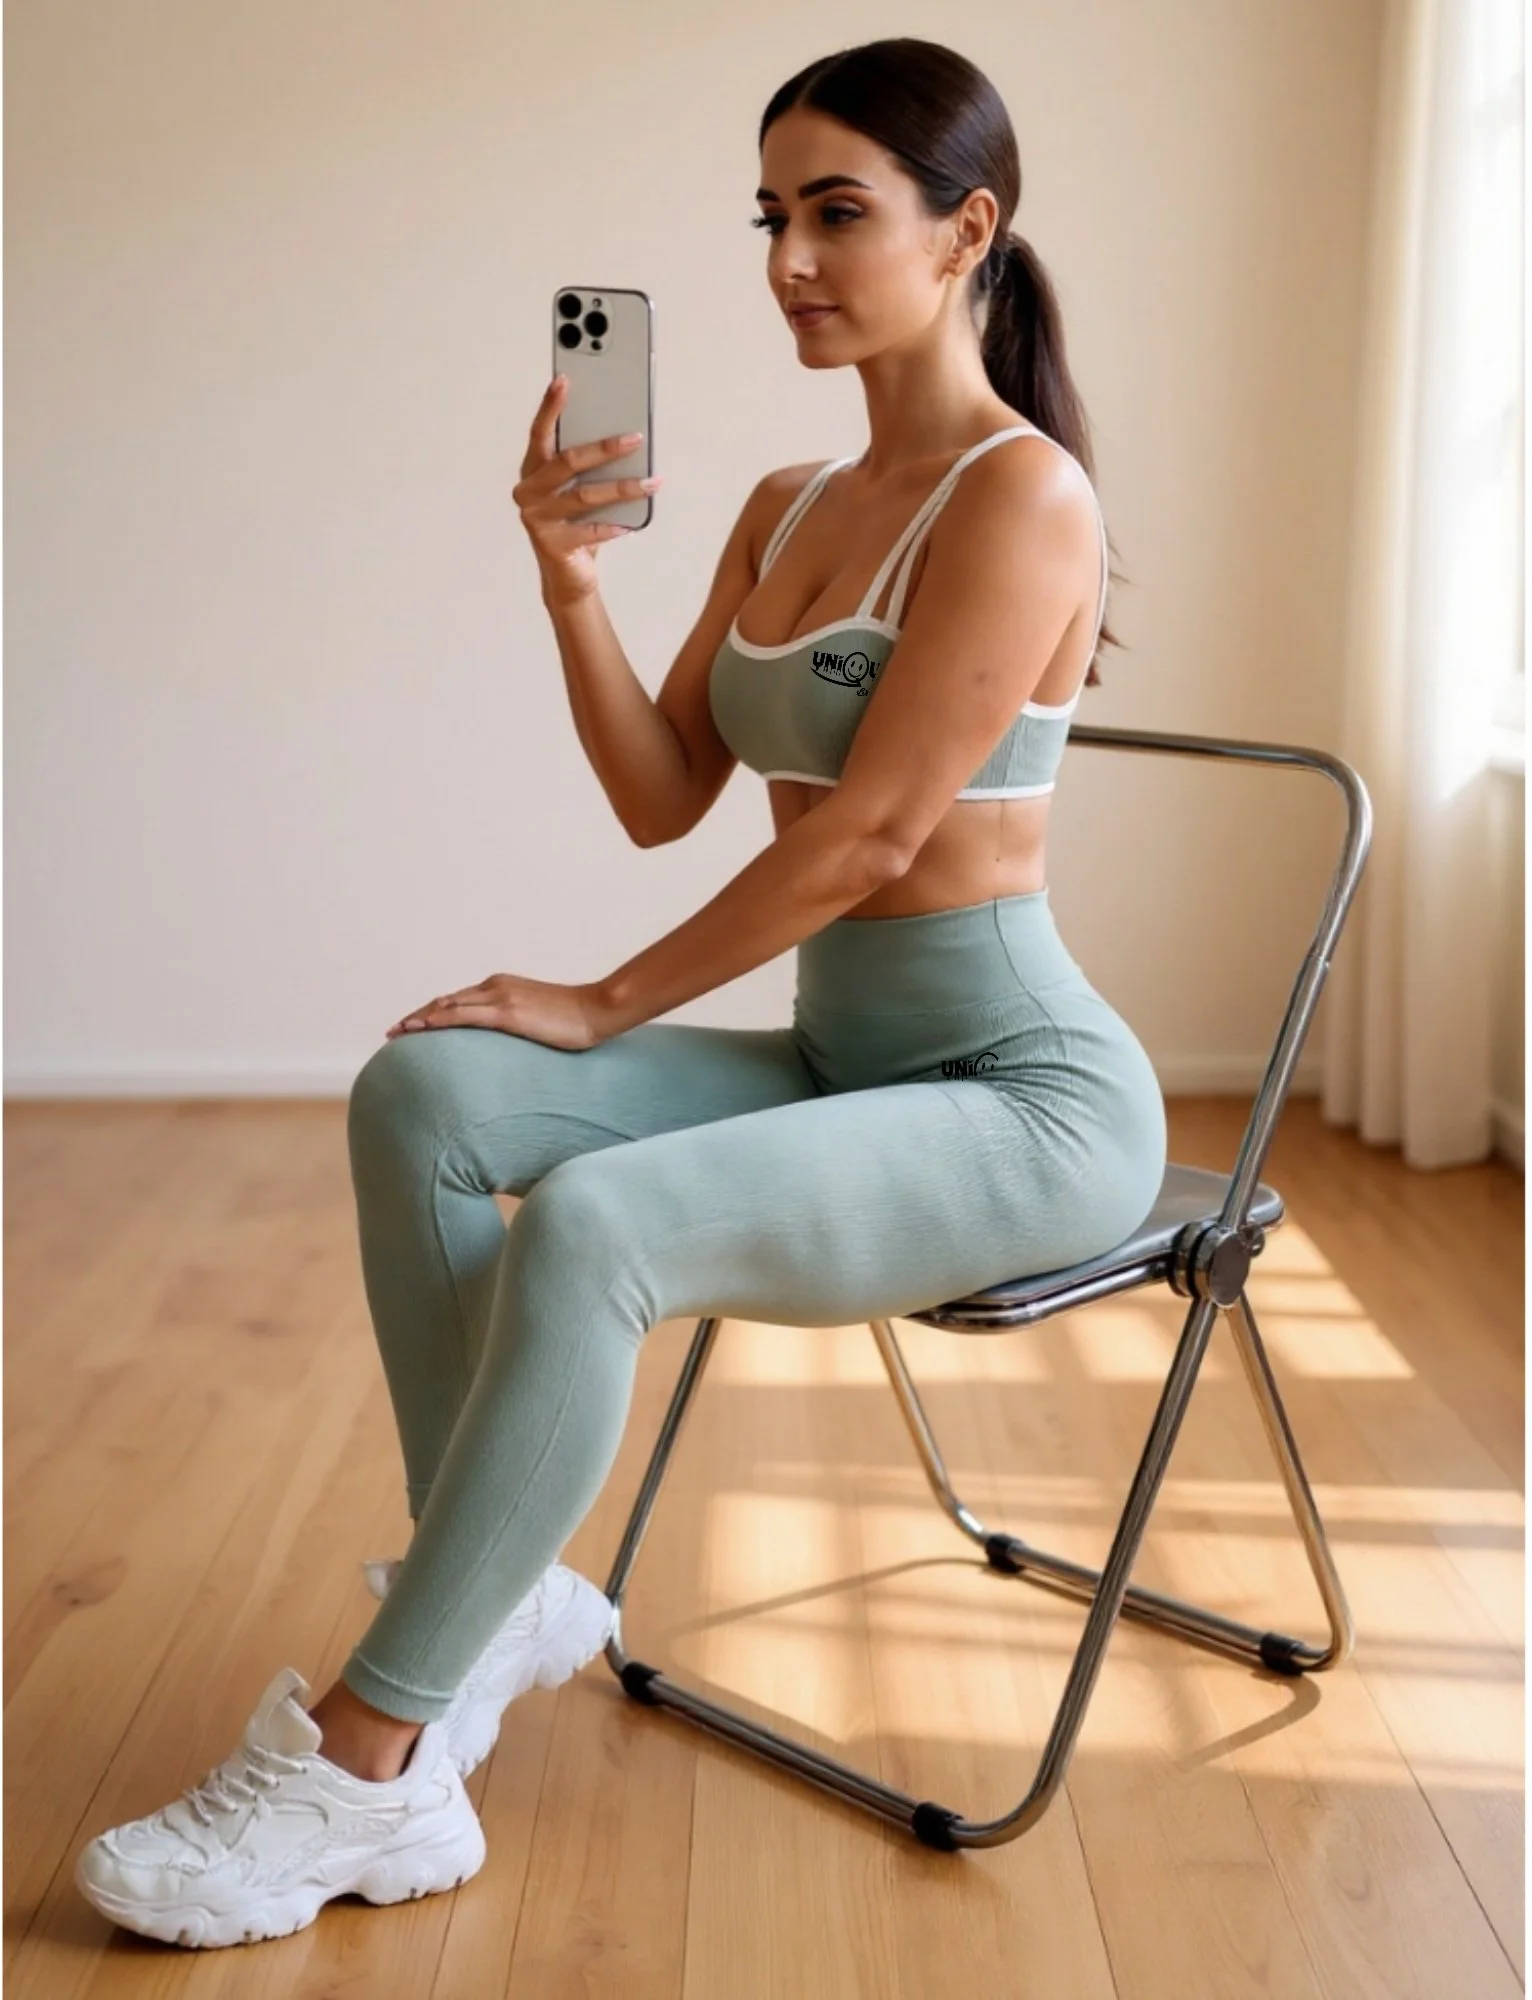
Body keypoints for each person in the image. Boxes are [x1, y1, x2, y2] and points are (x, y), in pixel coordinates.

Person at [75, 34, 1167, 1950]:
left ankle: (367, 1759)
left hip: (1025, 1103)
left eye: (839, 212)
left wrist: (599, 1002)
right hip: (845, 1062)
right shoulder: (781, 497)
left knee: (593, 1215)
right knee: (425, 1097)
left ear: (966, 227)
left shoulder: (1024, 497)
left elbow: (871, 844)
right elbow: (670, 796)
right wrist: (568, 578)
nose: (788, 262)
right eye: (771, 217)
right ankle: (490, 1607)